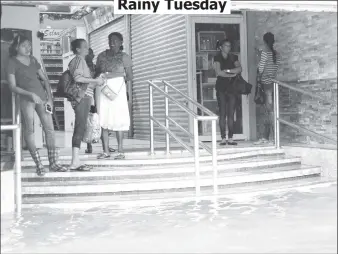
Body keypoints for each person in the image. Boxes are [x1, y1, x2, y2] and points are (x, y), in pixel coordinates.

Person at [7, 35, 67, 176]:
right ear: (16, 47)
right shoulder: (11, 62)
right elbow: (12, 86)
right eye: (24, 46)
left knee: (50, 130)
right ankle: (38, 164)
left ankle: (53, 163)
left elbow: (45, 79)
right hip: (26, 99)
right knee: (30, 130)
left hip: (42, 98)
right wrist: (30, 94)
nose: (28, 48)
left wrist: (50, 99)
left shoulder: (33, 60)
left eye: (29, 45)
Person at [95, 32, 133, 160]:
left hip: (118, 91)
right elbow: (96, 73)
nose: (112, 42)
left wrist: (115, 77)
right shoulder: (101, 56)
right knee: (103, 119)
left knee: (119, 119)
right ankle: (106, 151)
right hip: (104, 89)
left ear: (121, 42)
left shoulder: (125, 57)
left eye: (116, 40)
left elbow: (130, 76)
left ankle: (120, 151)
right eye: (110, 40)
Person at [68, 39, 104, 171]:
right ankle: (74, 161)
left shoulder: (80, 61)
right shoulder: (78, 60)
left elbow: (84, 81)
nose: (87, 49)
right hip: (82, 97)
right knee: (79, 127)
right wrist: (95, 80)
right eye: (85, 47)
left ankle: (76, 160)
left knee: (81, 126)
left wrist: (96, 82)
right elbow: (78, 78)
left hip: (84, 97)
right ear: (78, 49)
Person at [84, 48, 116, 154]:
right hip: (88, 96)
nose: (91, 55)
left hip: (98, 96)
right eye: (89, 54)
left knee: (101, 120)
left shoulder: (95, 67)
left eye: (92, 53)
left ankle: (104, 146)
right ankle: (89, 145)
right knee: (90, 121)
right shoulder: (83, 67)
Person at [213, 39, 242, 146]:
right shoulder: (217, 57)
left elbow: (239, 69)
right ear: (221, 47)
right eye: (226, 46)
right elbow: (218, 72)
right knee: (222, 113)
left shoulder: (233, 57)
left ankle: (230, 138)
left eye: (229, 46)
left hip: (232, 88)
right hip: (221, 87)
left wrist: (228, 71)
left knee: (231, 113)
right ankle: (222, 138)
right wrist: (231, 74)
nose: (228, 48)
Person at [254, 32, 281, 145]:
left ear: (264, 41)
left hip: (265, 84)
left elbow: (260, 69)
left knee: (267, 111)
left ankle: (270, 137)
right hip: (273, 84)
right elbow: (276, 68)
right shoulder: (276, 54)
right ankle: (268, 137)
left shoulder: (265, 53)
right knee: (269, 111)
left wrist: (258, 58)